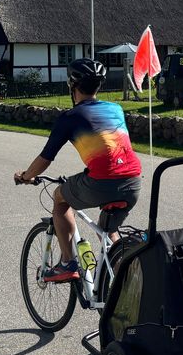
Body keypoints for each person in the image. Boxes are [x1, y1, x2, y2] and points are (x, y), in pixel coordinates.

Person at [15, 58, 142, 282]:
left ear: (72, 87)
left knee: (60, 197)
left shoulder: (70, 117)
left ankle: (67, 263)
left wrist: (27, 176)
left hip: (102, 182)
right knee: (106, 229)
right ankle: (124, 275)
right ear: (98, 86)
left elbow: (46, 158)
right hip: (133, 181)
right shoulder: (116, 109)